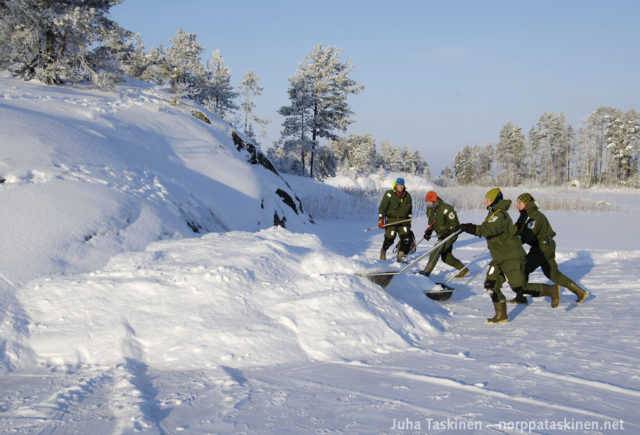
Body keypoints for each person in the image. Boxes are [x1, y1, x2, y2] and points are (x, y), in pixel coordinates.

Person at [458, 188, 560, 323]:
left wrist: (467, 227)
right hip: (500, 257)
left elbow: (486, 230)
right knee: (491, 284)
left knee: (519, 287)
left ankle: (551, 290)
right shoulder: (493, 213)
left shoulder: (500, 215)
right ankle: (501, 316)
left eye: (488, 200)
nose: (485, 202)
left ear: (494, 200)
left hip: (511, 257)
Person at [511, 192, 589, 304]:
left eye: (519, 202)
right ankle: (580, 292)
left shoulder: (534, 216)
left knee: (523, 268)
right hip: (545, 246)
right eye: (517, 202)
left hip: (543, 247)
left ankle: (521, 297)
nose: (517, 205)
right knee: (552, 274)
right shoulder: (524, 215)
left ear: (527, 203)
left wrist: (514, 242)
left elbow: (528, 234)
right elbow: (516, 229)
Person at [421, 191, 468, 278]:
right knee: (446, 258)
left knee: (436, 249)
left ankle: (426, 273)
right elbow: (432, 223)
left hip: (451, 234)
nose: (428, 203)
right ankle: (464, 269)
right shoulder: (429, 209)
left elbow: (455, 224)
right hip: (441, 235)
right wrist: (429, 232)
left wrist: (448, 232)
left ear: (435, 201)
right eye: (427, 202)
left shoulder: (446, 209)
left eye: (430, 202)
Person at [378, 178, 412, 262]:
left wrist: (409, 220)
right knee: (390, 238)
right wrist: (381, 219)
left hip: (403, 221)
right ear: (395, 185)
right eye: (398, 185)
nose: (400, 187)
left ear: (404, 185)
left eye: (401, 185)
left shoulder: (407, 196)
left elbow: (410, 210)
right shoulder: (389, 194)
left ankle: (400, 257)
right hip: (391, 221)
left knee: (405, 239)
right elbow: (382, 207)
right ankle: (383, 251)